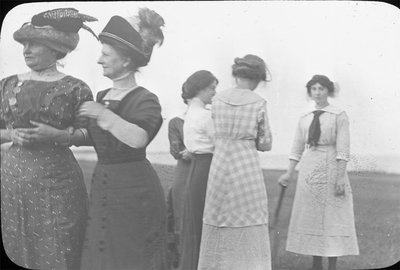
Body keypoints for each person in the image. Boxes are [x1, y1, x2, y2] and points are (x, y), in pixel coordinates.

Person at [0, 8, 97, 270]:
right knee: (15, 244)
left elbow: (93, 135)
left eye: (35, 44)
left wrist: (59, 135)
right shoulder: (6, 85)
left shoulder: (77, 88)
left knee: (59, 245)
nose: (26, 50)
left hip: (58, 185)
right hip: (12, 184)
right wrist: (11, 134)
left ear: (56, 49)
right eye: (24, 44)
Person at [78, 8, 167, 270]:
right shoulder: (102, 95)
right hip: (104, 186)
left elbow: (139, 137)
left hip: (134, 191)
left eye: (106, 54)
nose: (99, 60)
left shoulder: (145, 99)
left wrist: (103, 115)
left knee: (130, 254)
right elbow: (95, 138)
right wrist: (58, 136)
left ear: (126, 60)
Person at [197, 54, 273, 270]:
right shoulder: (258, 102)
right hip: (246, 167)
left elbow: (213, 132)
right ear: (257, 78)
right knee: (248, 219)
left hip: (220, 165)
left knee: (219, 216)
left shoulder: (217, 100)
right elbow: (265, 143)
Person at [278, 75, 359, 270]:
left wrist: (340, 177)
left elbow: (343, 148)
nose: (317, 93)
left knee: (332, 218)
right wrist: (289, 172)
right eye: (313, 89)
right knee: (312, 217)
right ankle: (316, 265)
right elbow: (297, 148)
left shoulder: (339, 115)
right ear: (310, 92)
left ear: (328, 91)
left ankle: (332, 265)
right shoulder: (305, 118)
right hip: (310, 168)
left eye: (321, 88)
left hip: (331, 167)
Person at [178, 70, 218, 270]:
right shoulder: (205, 115)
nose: (214, 93)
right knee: (205, 217)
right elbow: (218, 144)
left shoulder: (189, 114)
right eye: (212, 88)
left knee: (194, 216)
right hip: (207, 167)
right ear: (201, 88)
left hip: (195, 167)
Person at [166, 93, 193, 268]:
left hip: (207, 171)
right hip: (185, 173)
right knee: (181, 220)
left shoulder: (211, 119)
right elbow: (177, 152)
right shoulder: (177, 122)